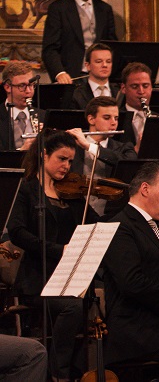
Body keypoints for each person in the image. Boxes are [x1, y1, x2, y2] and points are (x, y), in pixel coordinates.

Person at [7, 131, 99, 381]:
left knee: (91, 301)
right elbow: (17, 232)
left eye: (70, 161)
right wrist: (59, 249)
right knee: (72, 306)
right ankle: (58, 373)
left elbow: (96, 222)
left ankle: (81, 369)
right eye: (61, 159)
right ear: (44, 154)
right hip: (38, 278)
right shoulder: (26, 188)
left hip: (70, 276)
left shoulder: (71, 191)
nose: (66, 166)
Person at [101, 161, 159, 377]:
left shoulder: (152, 225)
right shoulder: (120, 227)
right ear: (145, 189)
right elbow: (132, 283)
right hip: (139, 332)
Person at [42, 0, 118, 84]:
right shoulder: (58, 8)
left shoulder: (104, 9)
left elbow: (112, 45)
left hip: (99, 77)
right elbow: (50, 48)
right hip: (70, 77)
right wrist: (59, 73)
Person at [67, 95, 137, 216]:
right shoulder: (71, 146)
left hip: (110, 215)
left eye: (116, 118)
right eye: (107, 118)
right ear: (91, 119)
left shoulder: (124, 148)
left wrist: (89, 146)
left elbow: (128, 162)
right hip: (74, 213)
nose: (114, 123)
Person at [1, 60, 43, 151]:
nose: (28, 91)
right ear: (7, 87)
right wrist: (20, 152)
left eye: (31, 85)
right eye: (22, 85)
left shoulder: (44, 116)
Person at [68, 42, 117, 110]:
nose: (105, 65)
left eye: (108, 61)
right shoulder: (76, 94)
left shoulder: (120, 92)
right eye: (99, 61)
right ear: (88, 65)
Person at [118, 61, 153, 151]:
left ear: (151, 88)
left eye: (145, 86)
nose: (141, 91)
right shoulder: (116, 119)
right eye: (135, 86)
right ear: (123, 88)